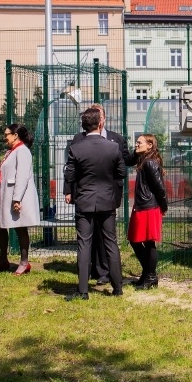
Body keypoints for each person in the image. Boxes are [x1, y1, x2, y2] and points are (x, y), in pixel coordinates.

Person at [64, 103, 134, 285]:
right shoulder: (112, 148)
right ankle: (117, 287)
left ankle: (83, 289)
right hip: (107, 200)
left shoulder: (77, 148)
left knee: (83, 244)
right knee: (111, 242)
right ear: (100, 123)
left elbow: (70, 174)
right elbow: (122, 173)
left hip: (85, 200)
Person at [0, 124, 40, 274]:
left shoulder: (22, 151)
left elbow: (22, 176)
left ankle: (24, 262)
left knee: (20, 228)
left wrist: (17, 199)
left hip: (18, 196)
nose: (4, 136)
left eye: (7, 134)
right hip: (10, 195)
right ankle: (3, 259)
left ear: (15, 135)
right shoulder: (12, 151)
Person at [128, 134, 169, 290]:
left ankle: (150, 276)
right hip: (144, 205)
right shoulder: (144, 160)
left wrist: (163, 206)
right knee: (135, 240)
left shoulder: (150, 163)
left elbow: (160, 188)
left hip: (148, 207)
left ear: (150, 145)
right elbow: (127, 160)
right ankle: (148, 275)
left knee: (147, 242)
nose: (136, 144)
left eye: (139, 142)